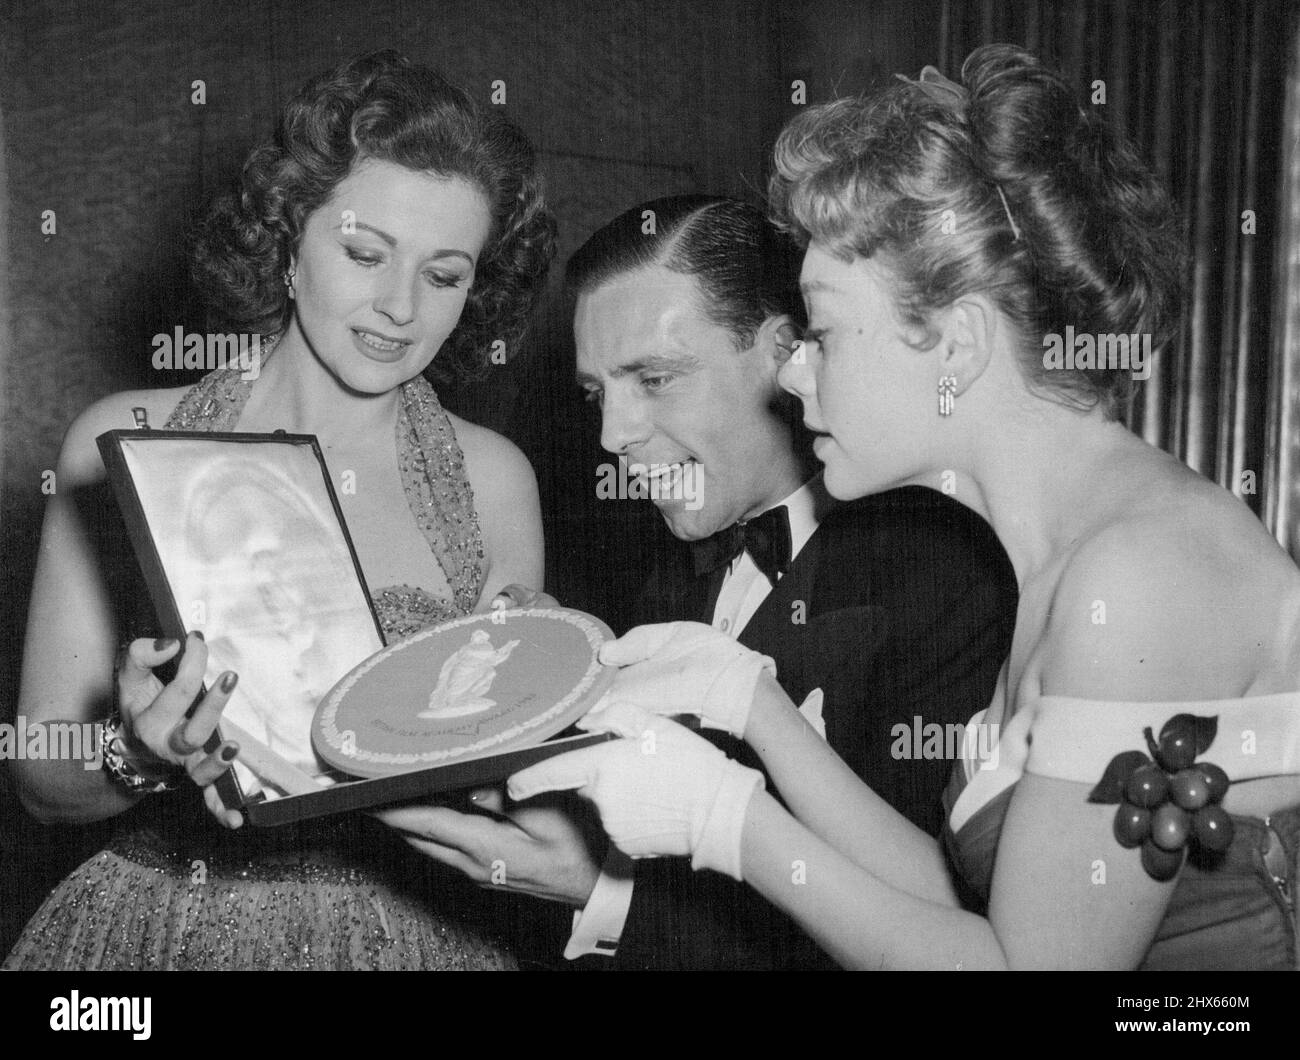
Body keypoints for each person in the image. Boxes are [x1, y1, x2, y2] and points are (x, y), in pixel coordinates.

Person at [509, 45, 1300, 970]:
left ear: (956, 345)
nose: (795, 374)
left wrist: (728, 823)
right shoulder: (1069, 557)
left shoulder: (1139, 575)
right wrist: (747, 700)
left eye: (827, 332)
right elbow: (971, 922)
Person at [6, 50, 555, 970]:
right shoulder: (121, 442)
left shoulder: (495, 476)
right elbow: (38, 777)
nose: (399, 306)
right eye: (364, 252)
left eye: (445, 274)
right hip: (158, 935)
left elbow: (512, 804)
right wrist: (139, 753)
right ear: (288, 237)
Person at [377, 195, 1019, 968]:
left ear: (788, 356)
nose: (614, 436)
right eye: (595, 394)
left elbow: (938, 939)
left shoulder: (952, 581)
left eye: (653, 378)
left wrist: (605, 895)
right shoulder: (650, 572)